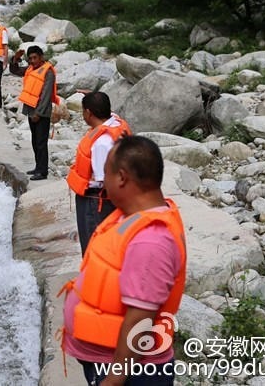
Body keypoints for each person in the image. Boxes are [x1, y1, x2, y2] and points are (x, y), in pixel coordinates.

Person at [62, 136, 186, 385]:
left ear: (121, 177)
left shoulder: (151, 241)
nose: (103, 183)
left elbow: (141, 316)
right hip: (107, 363)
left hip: (131, 374)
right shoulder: (131, 217)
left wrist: (116, 377)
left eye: (105, 173)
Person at [66, 92, 132, 255]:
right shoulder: (115, 123)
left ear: (88, 113)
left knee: (92, 244)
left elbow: (106, 181)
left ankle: (92, 276)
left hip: (95, 200)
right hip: (102, 199)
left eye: (83, 111)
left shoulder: (102, 143)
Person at [9, 45, 57, 180]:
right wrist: (15, 59)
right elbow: (15, 70)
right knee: (35, 141)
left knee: (41, 142)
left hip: (41, 113)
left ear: (41, 57)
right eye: (30, 58)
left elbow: (46, 95)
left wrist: (39, 113)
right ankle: (38, 167)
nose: (32, 61)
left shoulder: (48, 72)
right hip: (31, 110)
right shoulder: (30, 69)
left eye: (35, 58)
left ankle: (42, 172)